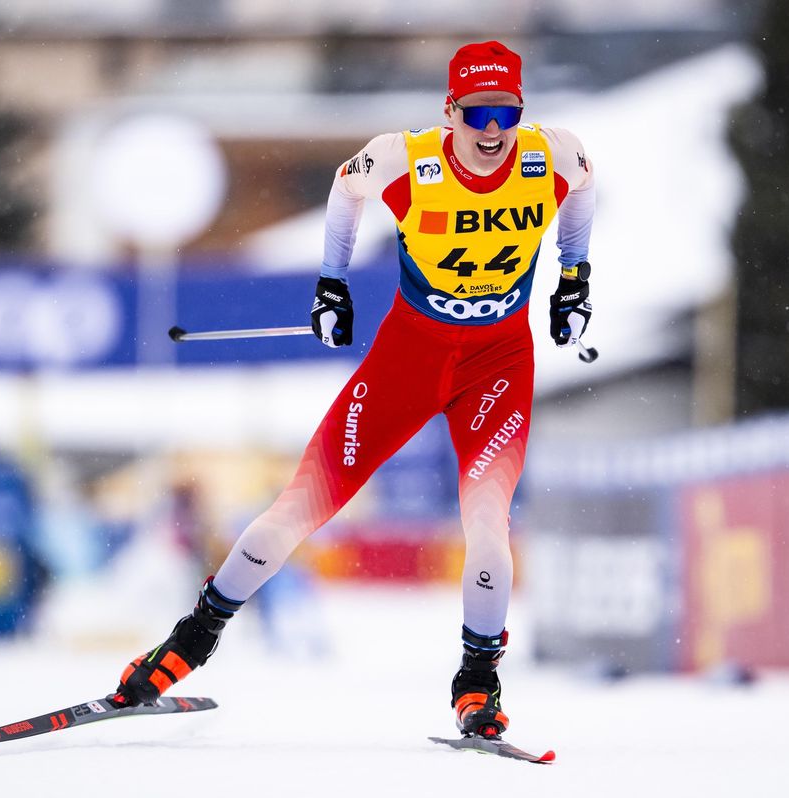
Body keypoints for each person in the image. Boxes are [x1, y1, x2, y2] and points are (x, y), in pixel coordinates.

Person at [110, 40, 595, 740]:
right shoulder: (406, 158)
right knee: (300, 506)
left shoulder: (553, 154)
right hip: (409, 355)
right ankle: (193, 637)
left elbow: (581, 194)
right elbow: (345, 190)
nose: (492, 132)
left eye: (506, 114)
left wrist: (575, 277)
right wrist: (331, 282)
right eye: (478, 114)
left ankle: (477, 682)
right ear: (451, 111)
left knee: (488, 527)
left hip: (497, 363)